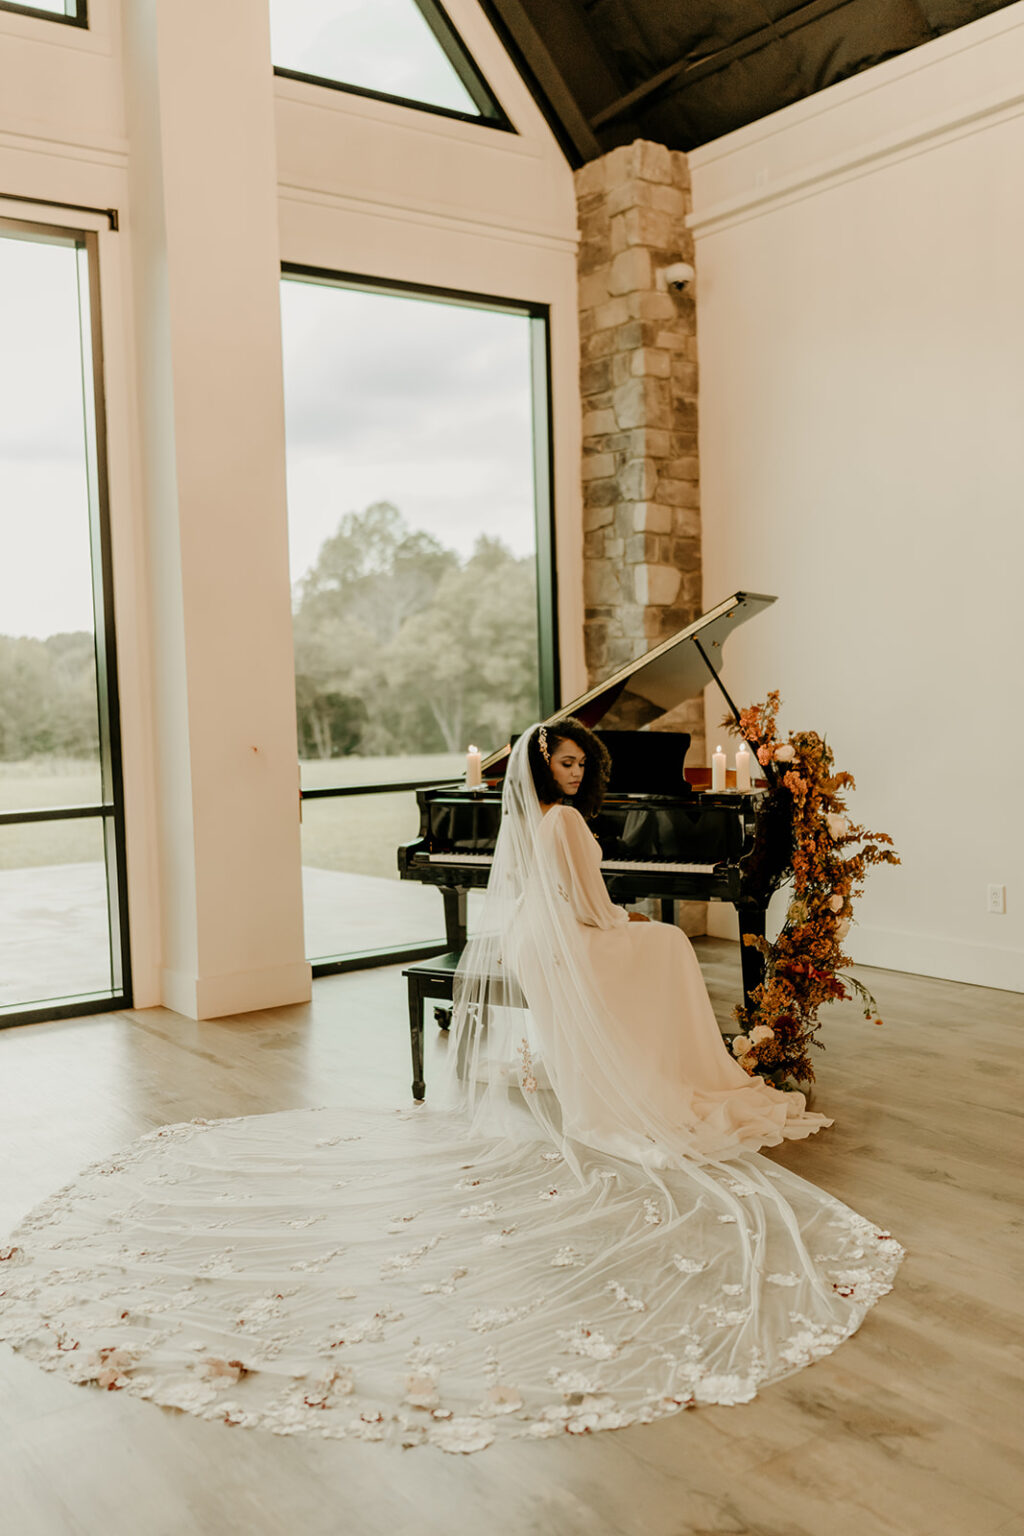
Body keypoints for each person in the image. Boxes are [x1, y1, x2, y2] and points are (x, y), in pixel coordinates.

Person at [0, 723, 902, 1454]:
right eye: (564, 757)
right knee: (667, 948)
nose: (576, 767)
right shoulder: (570, 823)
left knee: (655, 946)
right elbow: (595, 904)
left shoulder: (530, 819)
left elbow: (566, 902)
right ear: (544, 767)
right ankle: (662, 1072)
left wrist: (604, 920)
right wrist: (626, 922)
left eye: (584, 758)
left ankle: (623, 1064)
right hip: (573, 942)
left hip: (539, 949)